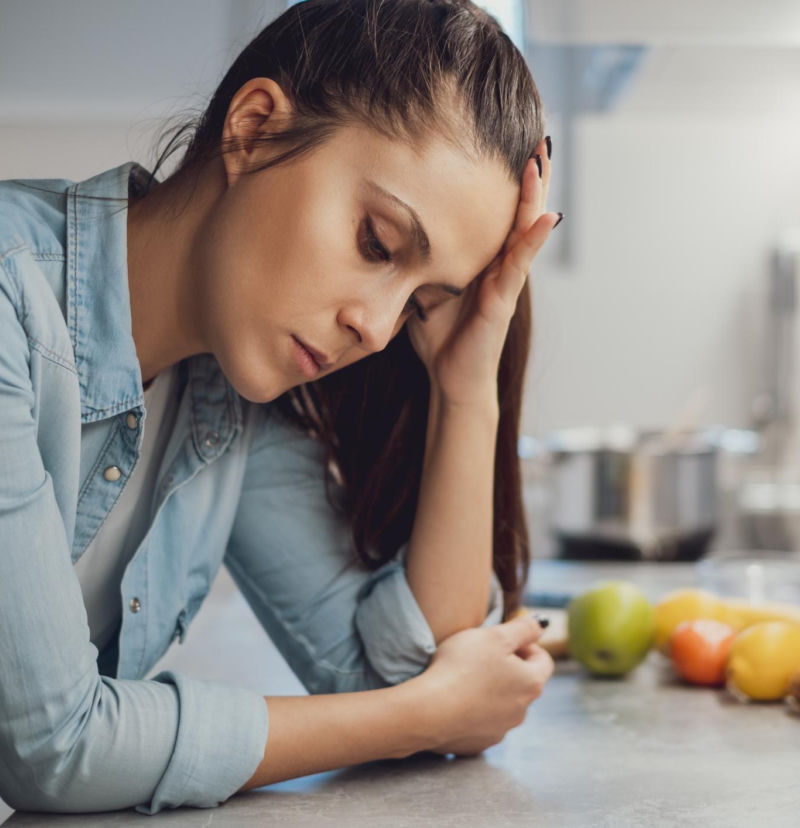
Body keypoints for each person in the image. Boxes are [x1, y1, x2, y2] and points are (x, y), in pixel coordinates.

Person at [0, 0, 562, 815]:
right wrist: (418, 716)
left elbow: (423, 673)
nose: (377, 329)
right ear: (255, 129)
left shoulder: (227, 401)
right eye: (376, 243)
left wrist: (465, 389)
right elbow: (51, 748)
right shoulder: (9, 305)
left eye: (418, 305)